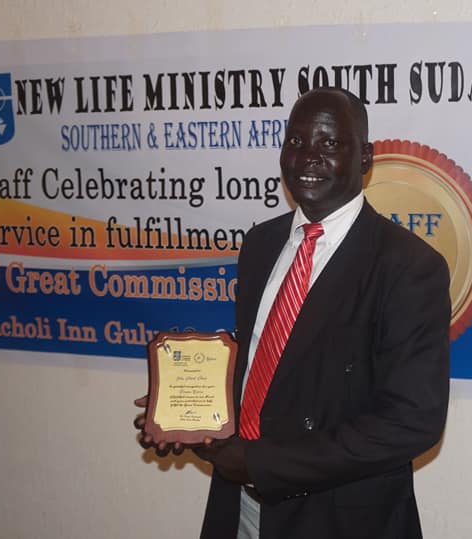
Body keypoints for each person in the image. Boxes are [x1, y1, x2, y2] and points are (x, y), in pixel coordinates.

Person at [136, 87, 450, 539]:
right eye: (296, 141)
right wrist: (188, 417)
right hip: (240, 507)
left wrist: (262, 464)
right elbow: (265, 369)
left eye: (329, 143)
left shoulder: (407, 266)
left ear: (365, 157)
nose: (308, 157)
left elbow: (411, 422)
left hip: (338, 518)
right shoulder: (260, 244)